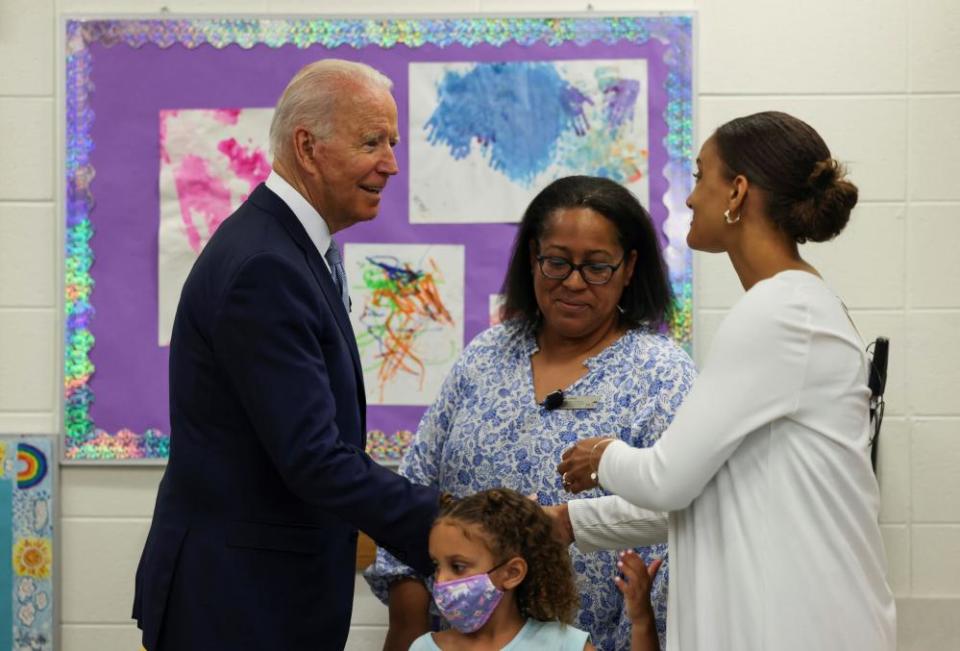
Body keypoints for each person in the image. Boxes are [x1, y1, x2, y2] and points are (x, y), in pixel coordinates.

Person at [557, 111, 896, 650]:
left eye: (698, 176)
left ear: (737, 192)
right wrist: (570, 522)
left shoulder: (778, 311)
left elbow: (668, 479)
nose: (688, 199)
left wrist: (601, 456)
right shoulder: (797, 305)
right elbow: (701, 493)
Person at [132, 60, 441, 651]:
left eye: (393, 143)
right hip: (240, 607)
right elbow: (313, 458)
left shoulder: (290, 248)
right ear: (308, 146)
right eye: (371, 142)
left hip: (254, 595)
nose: (391, 164)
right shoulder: (266, 267)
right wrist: (447, 522)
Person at [365, 175, 696, 651]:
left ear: (629, 268)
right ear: (532, 259)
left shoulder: (662, 375)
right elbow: (416, 489)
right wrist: (410, 625)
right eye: (557, 263)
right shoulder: (485, 357)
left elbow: (680, 514)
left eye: (597, 267)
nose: (574, 283)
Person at [412, 488, 663, 651]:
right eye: (437, 565)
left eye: (458, 566)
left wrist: (641, 620)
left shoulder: (562, 645)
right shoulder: (424, 648)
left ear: (512, 573)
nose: (441, 580)